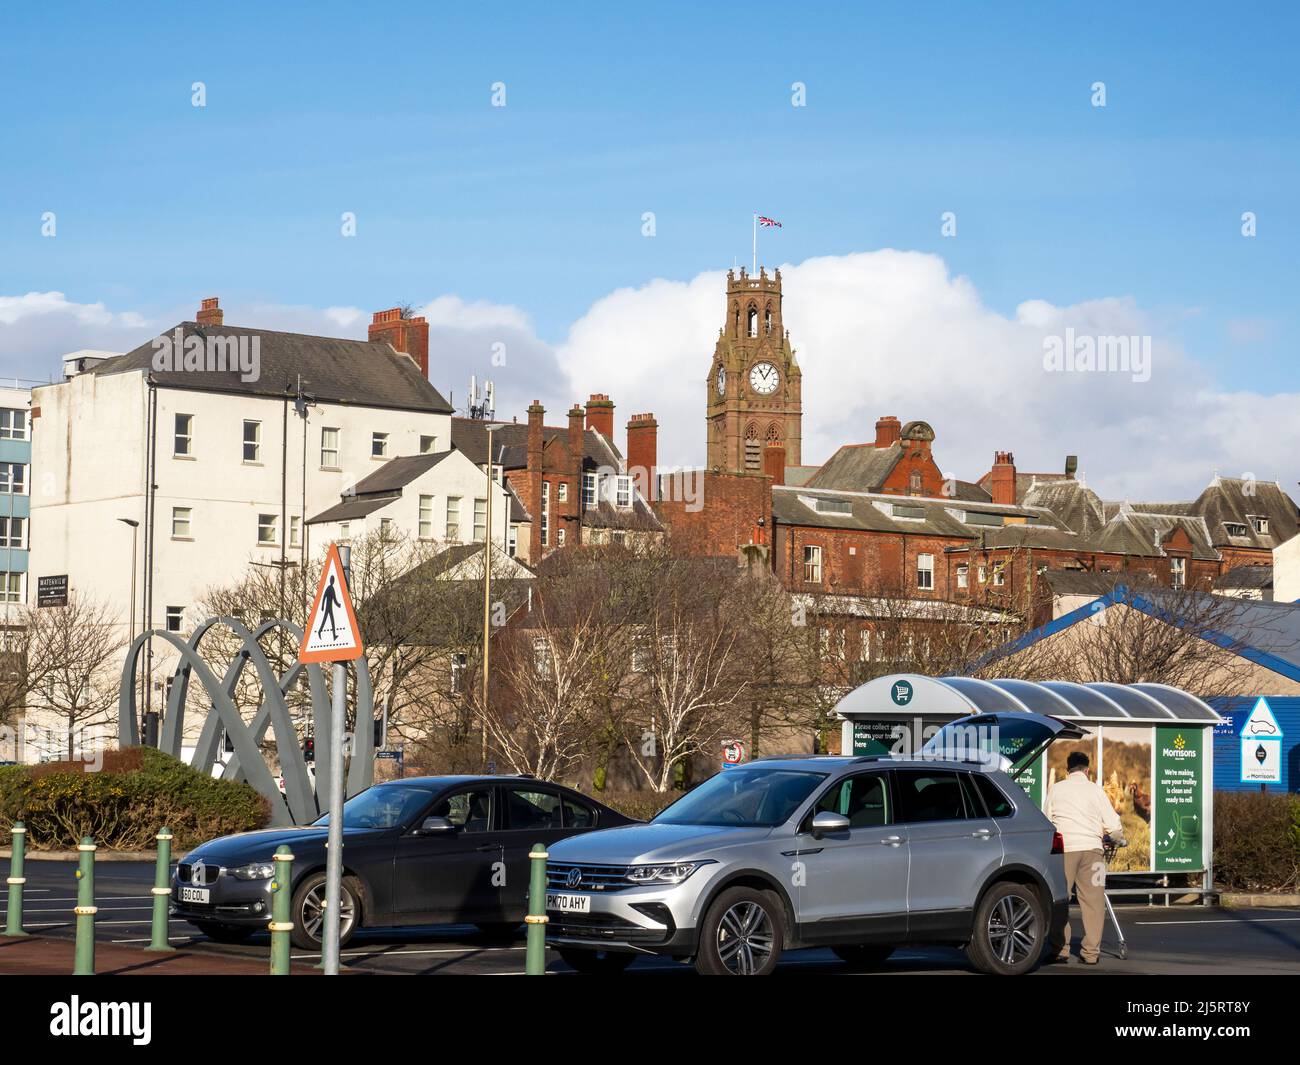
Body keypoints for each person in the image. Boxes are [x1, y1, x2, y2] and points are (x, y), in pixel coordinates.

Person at [1043, 750, 1123, 965]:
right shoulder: (1096, 791)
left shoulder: (1056, 789)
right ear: (1087, 770)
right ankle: (1090, 953)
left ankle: (1060, 949)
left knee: (1060, 901)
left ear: (1067, 770)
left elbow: (1047, 822)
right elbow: (1114, 827)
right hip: (1093, 852)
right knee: (1094, 903)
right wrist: (1116, 838)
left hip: (1064, 852)